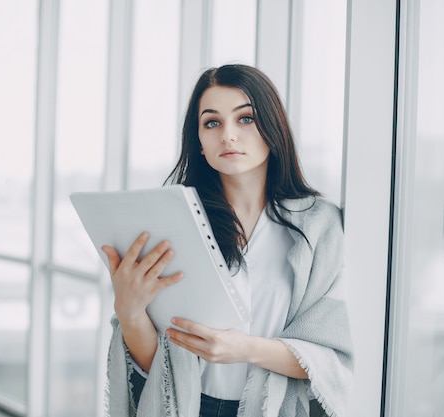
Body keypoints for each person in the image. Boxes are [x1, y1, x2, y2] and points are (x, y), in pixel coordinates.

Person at [102, 64, 353, 417]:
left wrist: (244, 349)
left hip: (272, 409)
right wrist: (128, 312)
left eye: (245, 119)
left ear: (273, 128)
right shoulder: (173, 221)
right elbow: (156, 363)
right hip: (185, 407)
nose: (228, 135)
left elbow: (333, 357)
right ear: (200, 141)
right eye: (212, 122)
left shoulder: (321, 226)